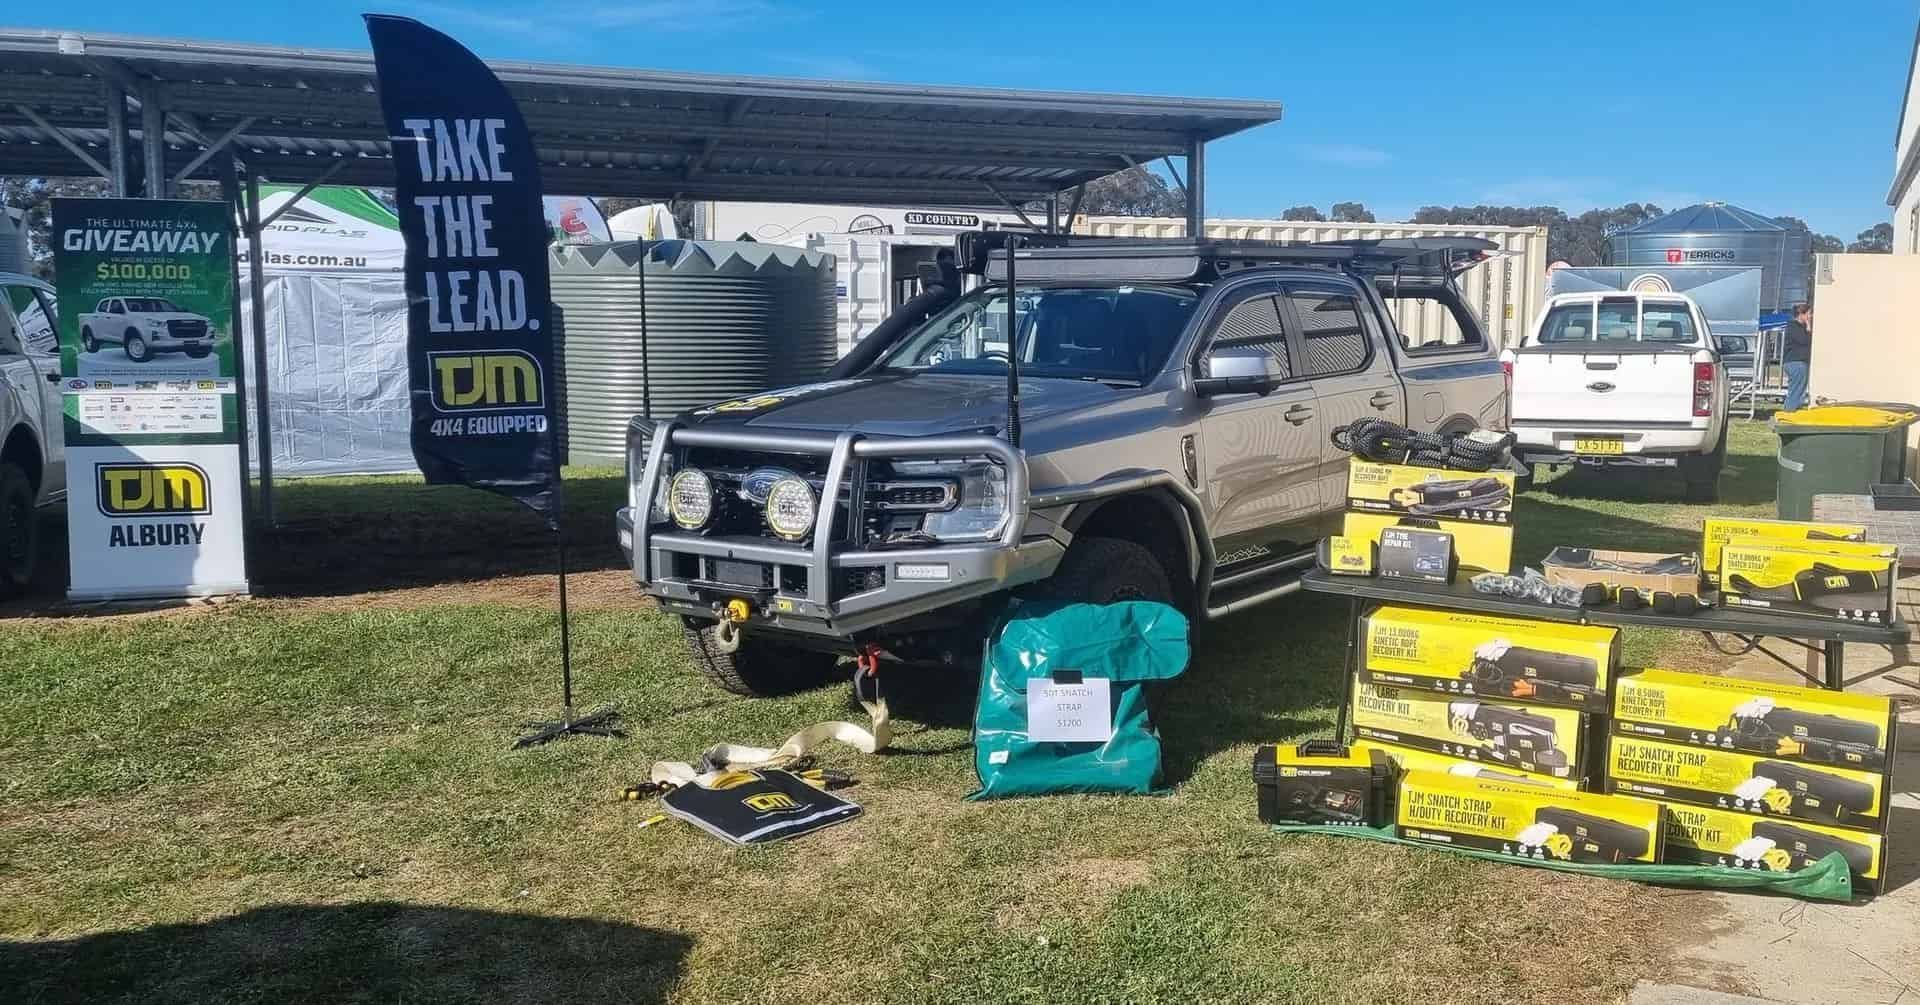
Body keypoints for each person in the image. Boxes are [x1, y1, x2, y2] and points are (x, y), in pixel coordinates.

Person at [1782, 303, 1813, 412]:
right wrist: (1809, 326)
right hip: (1795, 362)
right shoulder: (1793, 326)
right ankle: (1790, 410)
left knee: (1798, 388)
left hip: (1799, 362)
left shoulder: (1799, 327)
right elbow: (1805, 340)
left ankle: (1793, 409)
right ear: (1801, 314)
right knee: (1797, 389)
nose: (1811, 316)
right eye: (1809, 314)